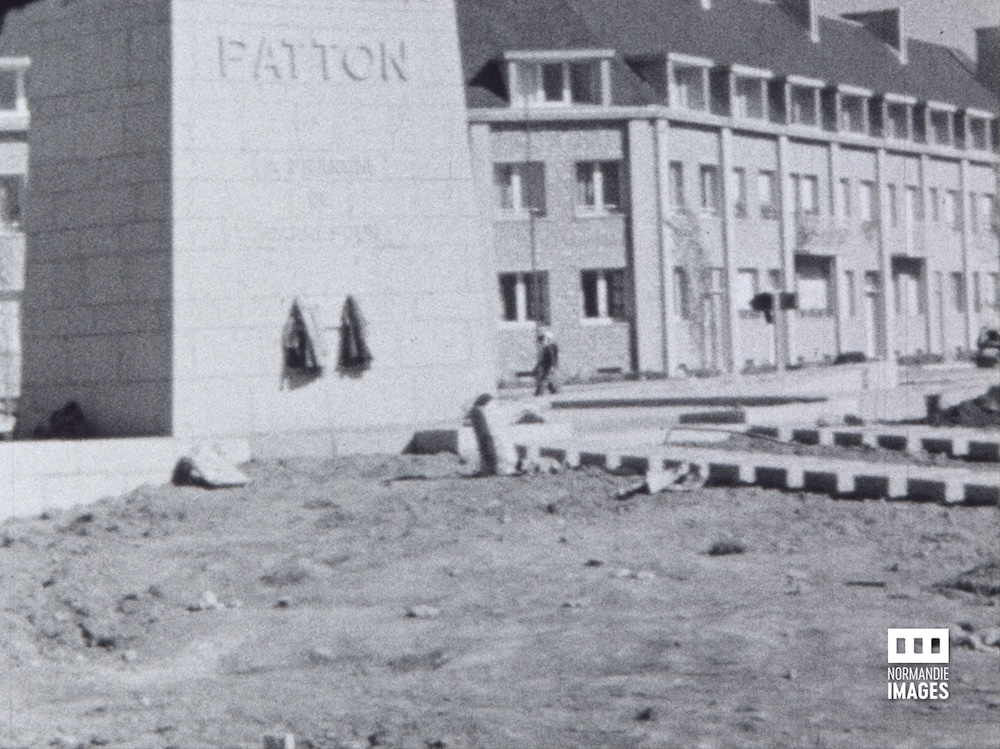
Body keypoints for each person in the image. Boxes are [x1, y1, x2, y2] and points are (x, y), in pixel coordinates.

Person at [533, 328, 560, 396]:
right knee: (545, 378)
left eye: (542, 339)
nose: (540, 342)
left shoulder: (549, 347)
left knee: (544, 378)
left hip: (548, 365)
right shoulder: (546, 347)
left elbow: (552, 358)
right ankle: (553, 389)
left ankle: (539, 392)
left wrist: (552, 366)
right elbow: (542, 358)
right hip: (545, 365)